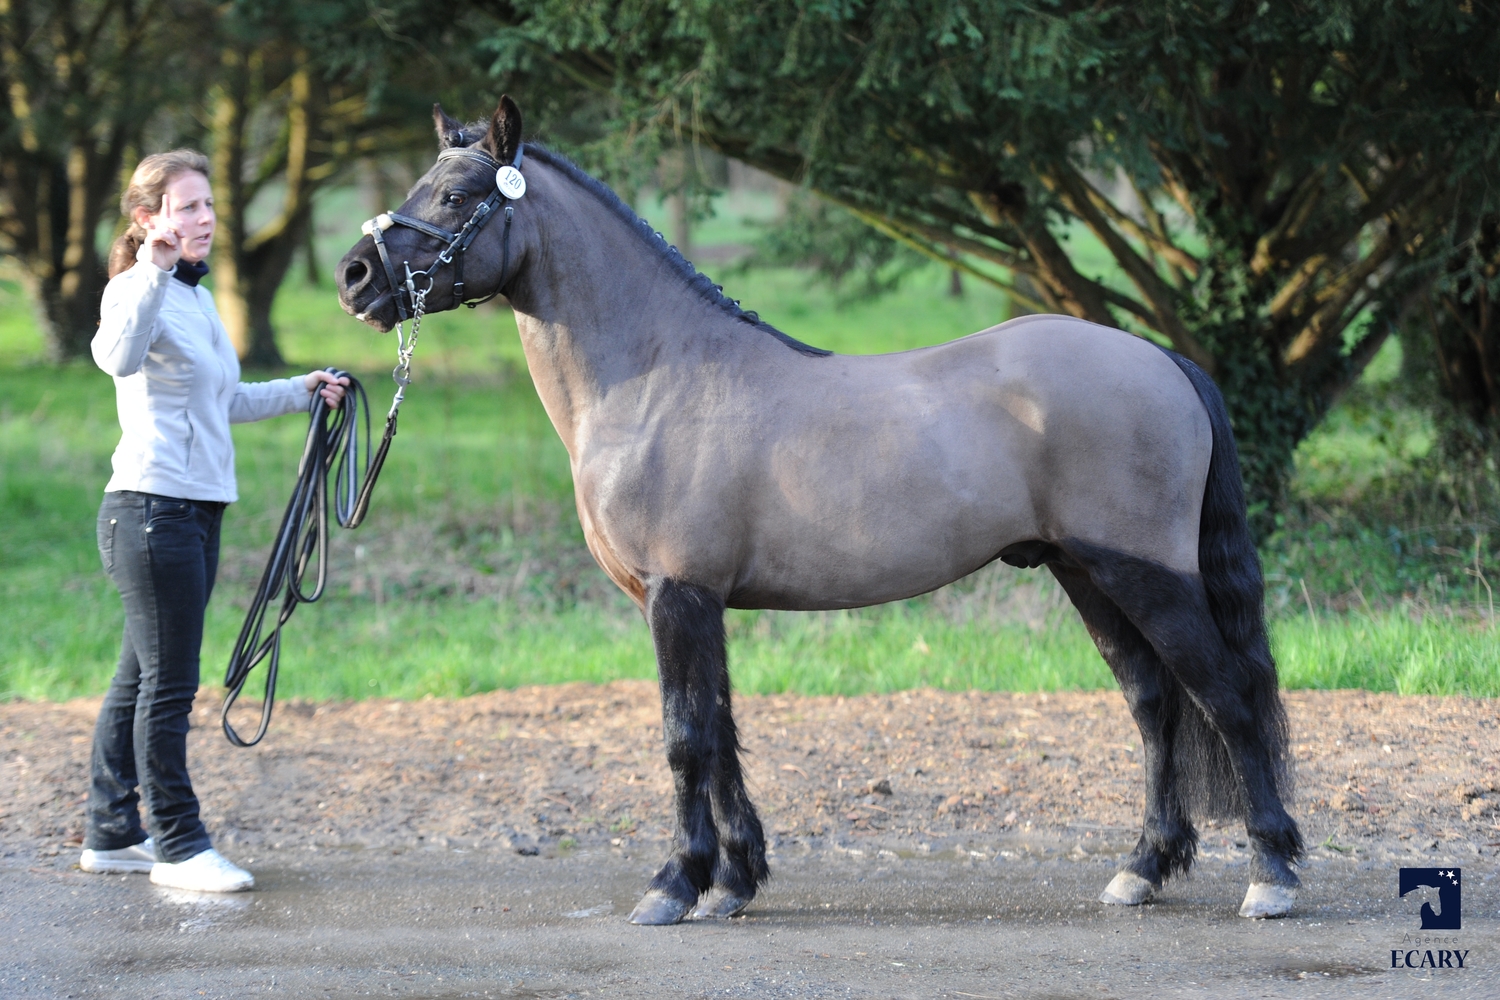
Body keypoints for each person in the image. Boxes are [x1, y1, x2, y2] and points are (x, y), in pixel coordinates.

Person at [78, 149, 348, 893]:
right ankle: (177, 843)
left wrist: (302, 390)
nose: (206, 220)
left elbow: (218, 400)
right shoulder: (139, 290)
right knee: (169, 686)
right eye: (188, 206)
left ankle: (110, 832)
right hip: (150, 511)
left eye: (208, 205)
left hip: (193, 509)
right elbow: (115, 357)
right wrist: (153, 272)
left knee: (138, 678)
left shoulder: (195, 301)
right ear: (148, 220)